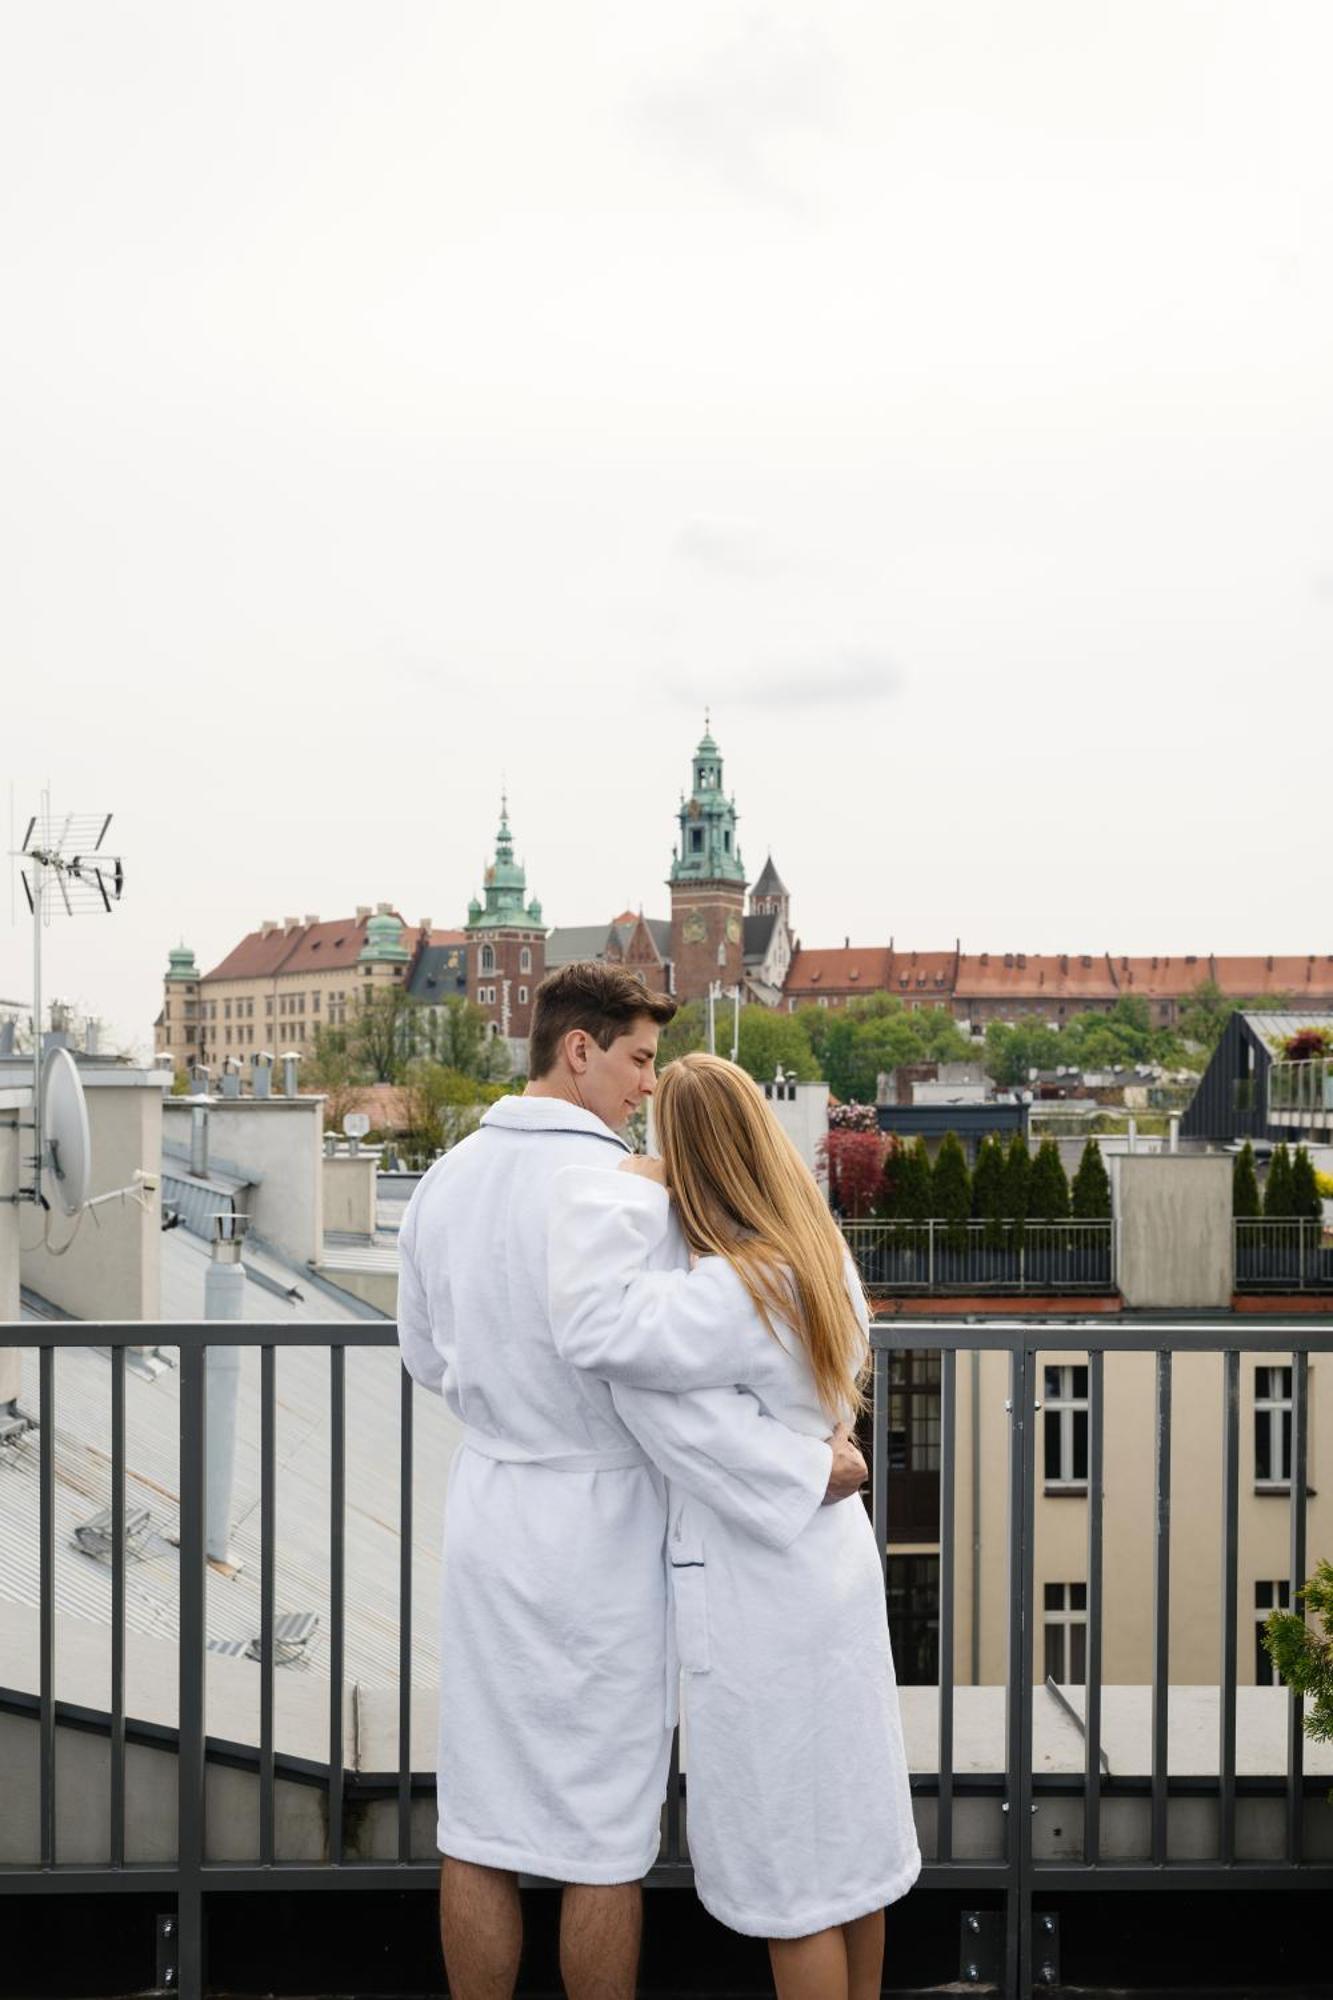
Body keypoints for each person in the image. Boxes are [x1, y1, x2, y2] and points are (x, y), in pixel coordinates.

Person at [396, 964, 869, 2000]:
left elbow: (426, 1356)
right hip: (608, 1527)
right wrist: (806, 1462)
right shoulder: (633, 1195)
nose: (647, 1087)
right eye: (639, 1060)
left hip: (489, 1509)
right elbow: (677, 1392)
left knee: (477, 1817)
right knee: (602, 1834)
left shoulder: (444, 1180)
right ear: (580, 1049)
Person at [548, 1052, 921, 2000]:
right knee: (852, 1850)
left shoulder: (733, 1292)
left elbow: (597, 1332)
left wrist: (627, 1187)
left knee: (790, 1876)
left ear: (684, 1156)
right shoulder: (818, 1255)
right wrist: (808, 1460)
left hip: (760, 1599)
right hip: (833, 1576)